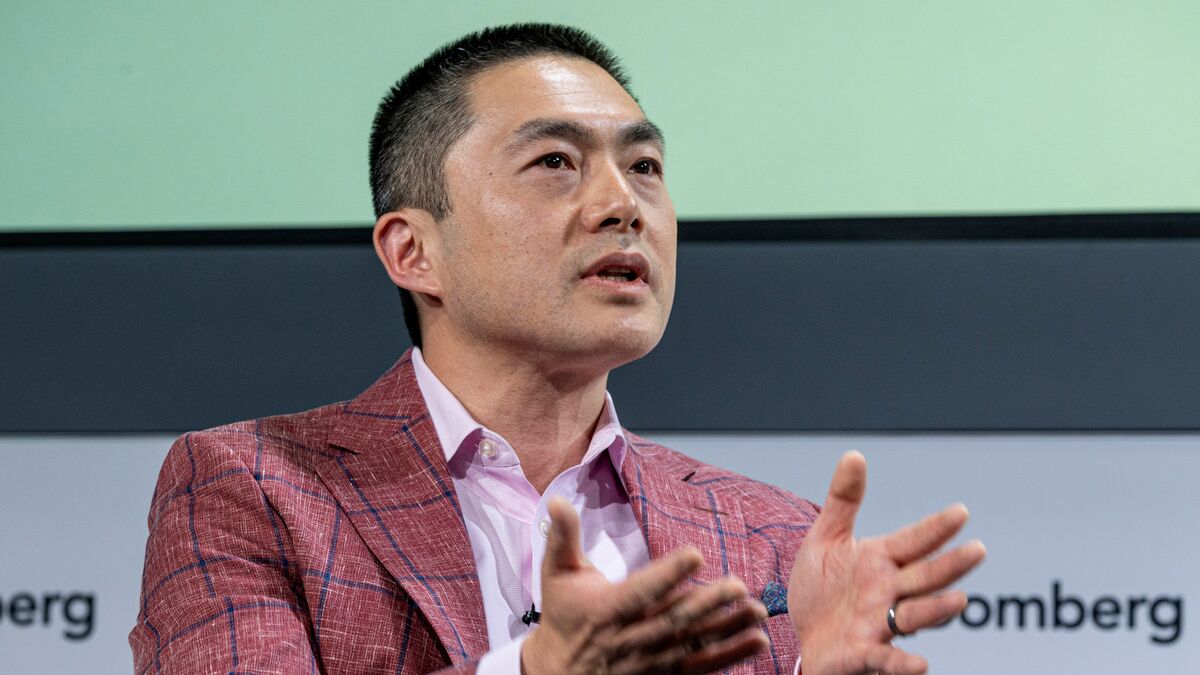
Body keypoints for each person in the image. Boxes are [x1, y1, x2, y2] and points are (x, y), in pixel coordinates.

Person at [131, 23, 985, 674]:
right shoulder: (251, 488)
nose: (624, 205)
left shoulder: (774, 537)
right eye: (554, 162)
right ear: (413, 250)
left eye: (644, 166)